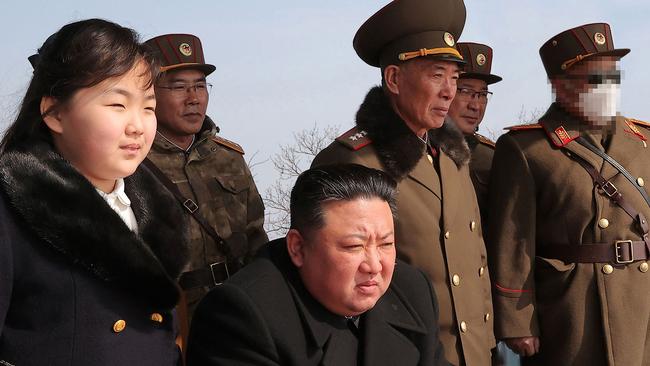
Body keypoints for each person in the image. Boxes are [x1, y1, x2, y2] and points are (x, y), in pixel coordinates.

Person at [311, 0, 494, 364]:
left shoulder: (454, 157)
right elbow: (327, 283)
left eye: (455, 78)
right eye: (436, 75)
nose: (449, 92)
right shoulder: (354, 161)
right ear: (394, 79)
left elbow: (475, 259)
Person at [0, 19, 188, 365]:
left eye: (148, 107)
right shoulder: (10, 211)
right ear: (54, 112)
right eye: (117, 105)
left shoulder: (158, 209)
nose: (138, 125)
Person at [488, 23, 650, 365]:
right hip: (573, 303)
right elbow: (513, 242)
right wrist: (517, 320)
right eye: (595, 79)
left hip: (641, 296)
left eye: (612, 76)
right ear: (560, 86)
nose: (607, 88)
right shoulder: (527, 148)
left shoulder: (643, 139)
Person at [186, 164, 450, 366]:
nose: (374, 265)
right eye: (353, 246)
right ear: (298, 248)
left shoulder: (412, 290)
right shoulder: (242, 315)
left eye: (385, 244)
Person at [143, 34, 268, 320]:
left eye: (200, 86)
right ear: (149, 93)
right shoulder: (134, 163)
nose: (193, 99)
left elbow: (256, 239)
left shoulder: (229, 158)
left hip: (238, 307)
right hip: (169, 317)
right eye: (179, 87)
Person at [447, 42, 502, 224]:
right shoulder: (417, 150)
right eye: (466, 91)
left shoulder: (491, 158)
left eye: (483, 94)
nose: (475, 105)